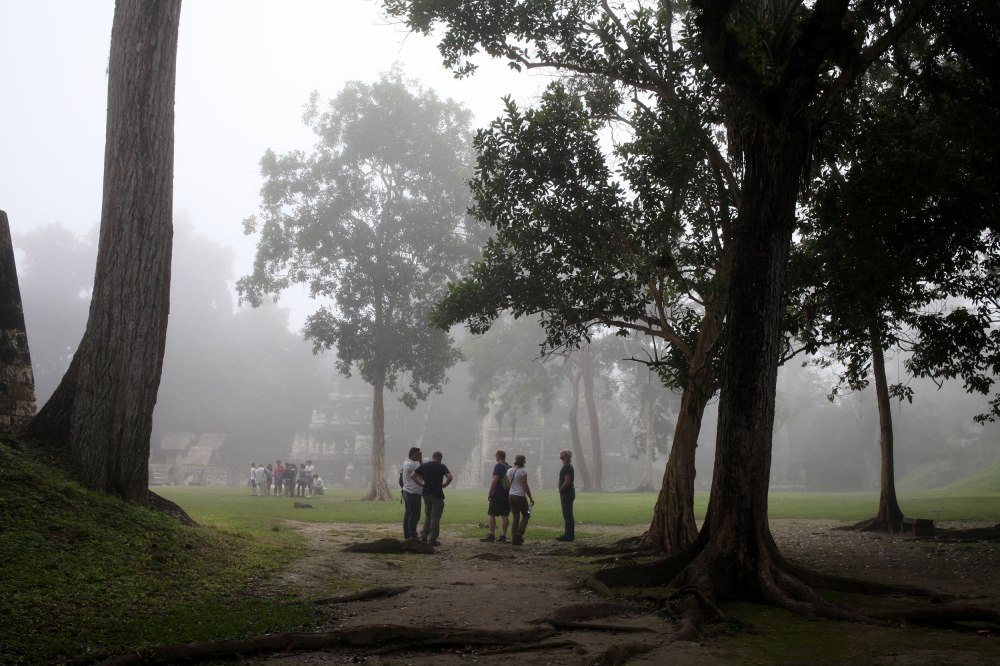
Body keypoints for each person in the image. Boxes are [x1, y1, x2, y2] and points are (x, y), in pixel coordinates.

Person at [411, 451, 453, 546]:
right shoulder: (441, 466)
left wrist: (421, 484)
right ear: (440, 458)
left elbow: (412, 476)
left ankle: (423, 536)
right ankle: (432, 539)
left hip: (425, 493)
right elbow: (450, 477)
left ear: (432, 457)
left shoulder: (424, 466)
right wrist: (444, 485)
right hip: (437, 494)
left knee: (428, 516)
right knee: (435, 518)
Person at [481, 450, 511, 543]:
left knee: (491, 514)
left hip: (498, 493)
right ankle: (503, 535)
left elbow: (495, 480)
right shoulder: (509, 467)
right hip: (508, 494)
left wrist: (490, 492)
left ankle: (491, 534)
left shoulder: (499, 466)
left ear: (498, 456)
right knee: (505, 515)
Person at [507, 454, 534, 546]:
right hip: (520, 496)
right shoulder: (523, 472)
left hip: (511, 495)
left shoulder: (509, 470)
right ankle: (519, 532)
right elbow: (525, 485)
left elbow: (509, 484)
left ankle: (514, 539)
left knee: (516, 517)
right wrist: (530, 497)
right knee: (527, 514)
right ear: (523, 462)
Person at [401, 447, 423, 541]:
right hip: (413, 492)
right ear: (412, 454)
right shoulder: (412, 465)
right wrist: (421, 461)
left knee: (408, 514)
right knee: (414, 515)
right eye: (418, 454)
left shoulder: (407, 463)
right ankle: (412, 535)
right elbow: (423, 473)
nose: (420, 455)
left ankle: (407, 535)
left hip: (407, 491)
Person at [556, 449, 576, 541]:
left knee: (567, 515)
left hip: (566, 493)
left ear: (567, 455)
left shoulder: (567, 466)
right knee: (568, 514)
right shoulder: (567, 466)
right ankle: (569, 535)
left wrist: (561, 490)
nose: (561, 452)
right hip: (568, 493)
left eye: (563, 451)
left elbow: (567, 481)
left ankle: (568, 536)